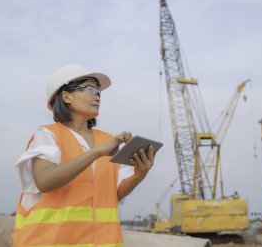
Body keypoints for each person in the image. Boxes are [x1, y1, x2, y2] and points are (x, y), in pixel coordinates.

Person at [12, 64, 155, 247]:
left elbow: (113, 195)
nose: (96, 95)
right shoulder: (48, 135)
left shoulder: (108, 140)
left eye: (98, 92)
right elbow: (44, 180)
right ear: (66, 96)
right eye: (89, 89)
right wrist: (95, 152)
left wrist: (138, 174)